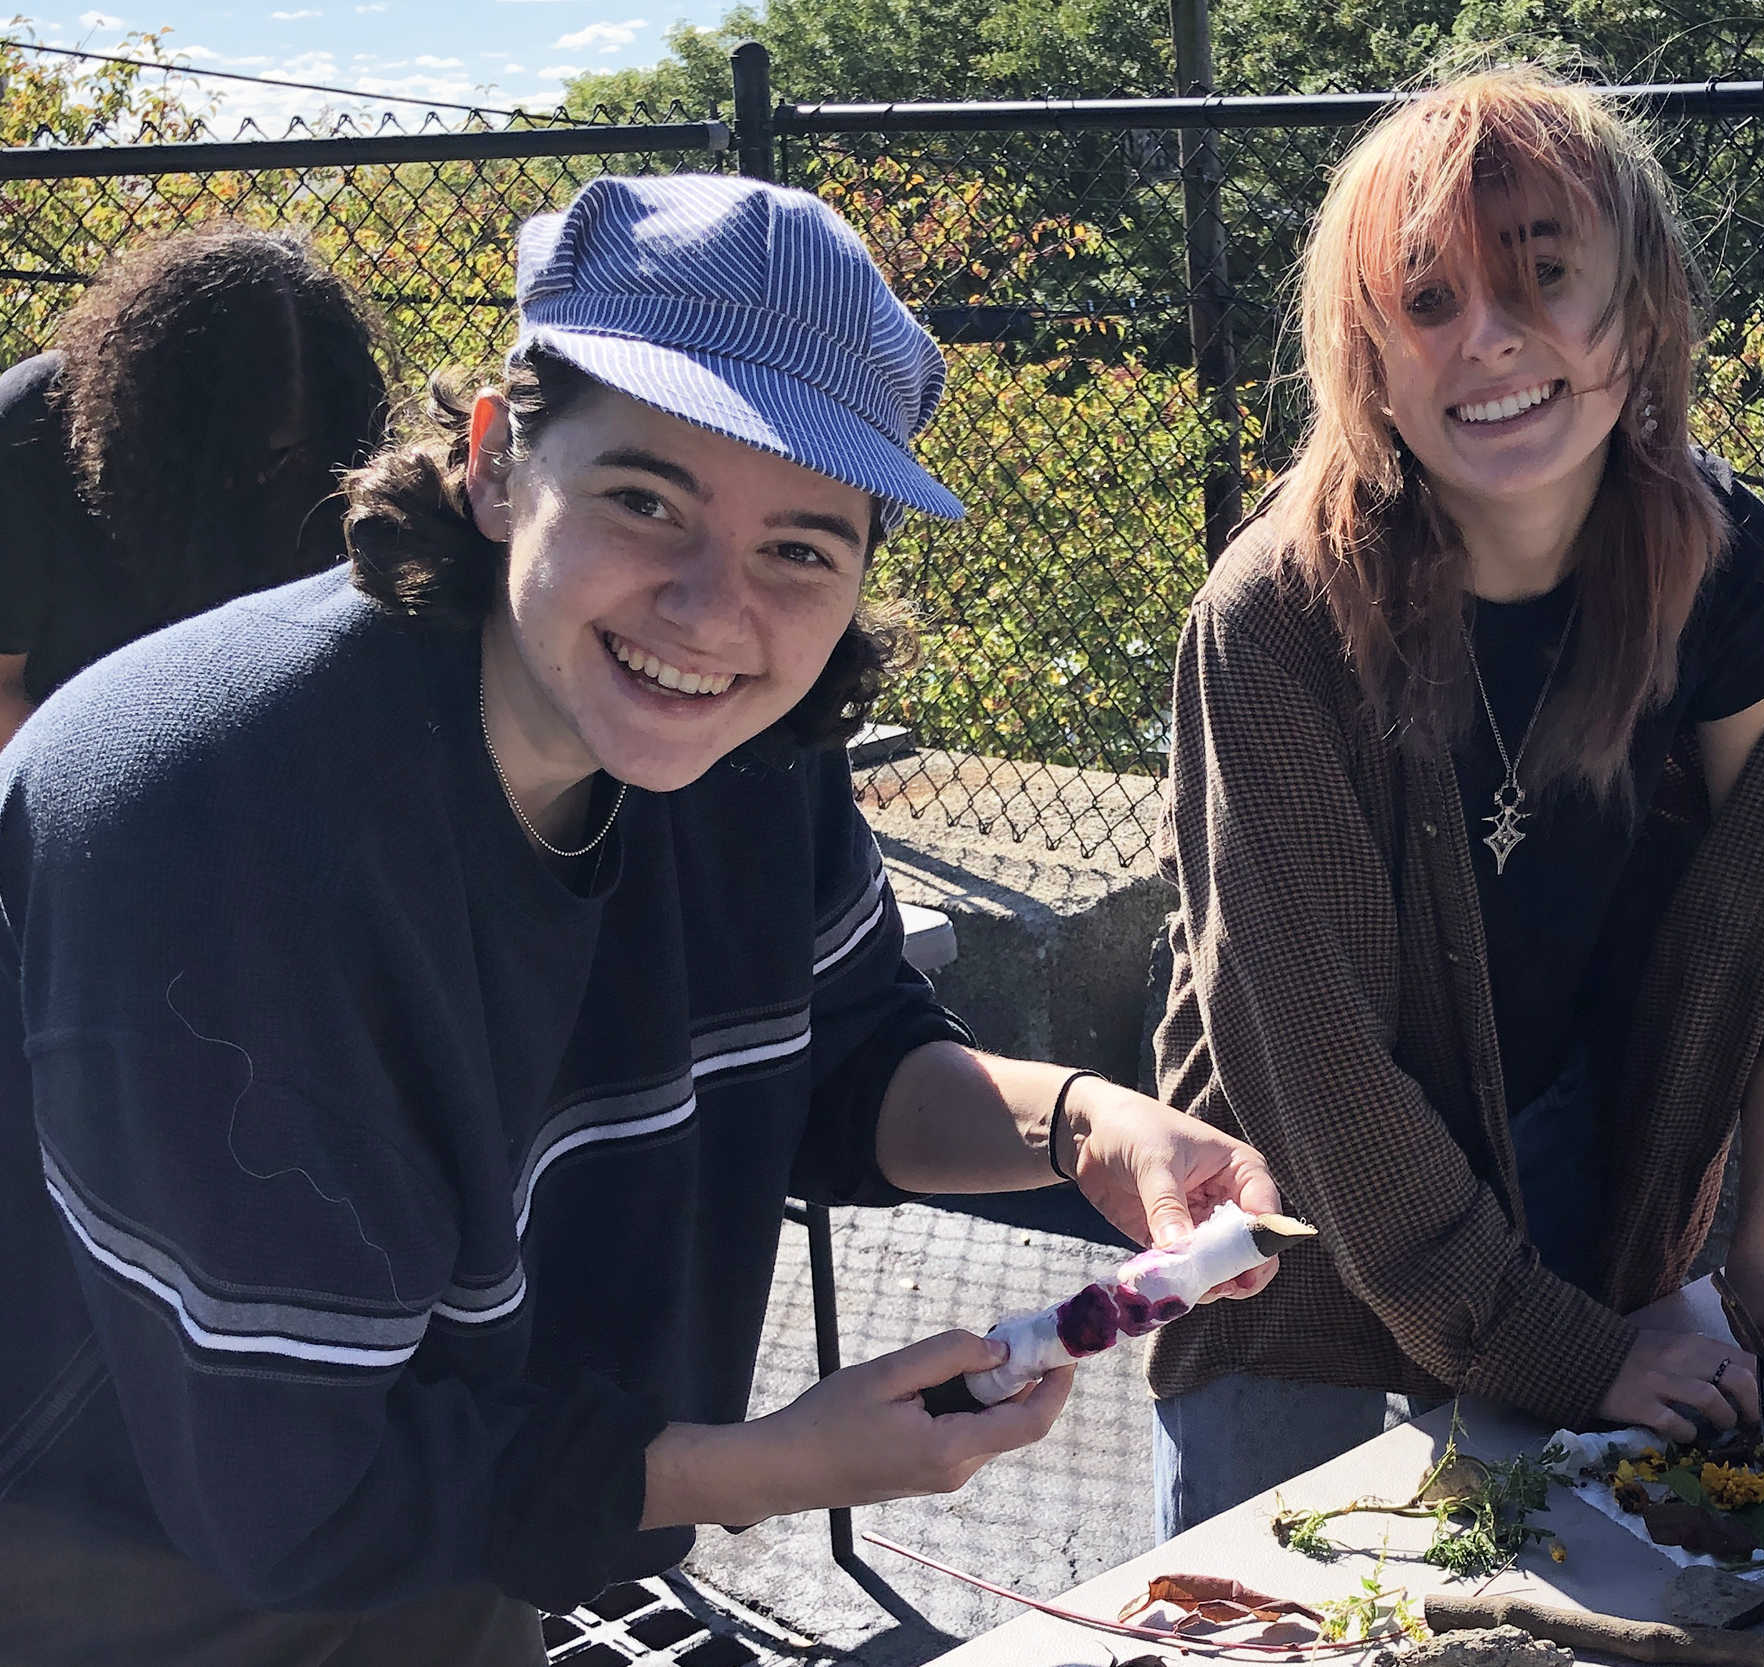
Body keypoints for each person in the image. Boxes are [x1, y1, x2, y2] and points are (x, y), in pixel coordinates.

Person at [0, 173, 1281, 1664]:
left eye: (801, 544)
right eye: (644, 498)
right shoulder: (216, 812)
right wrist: (776, 1463)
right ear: (495, 464)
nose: (708, 608)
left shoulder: (739, 755)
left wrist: (1089, 1128)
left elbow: (847, 1059)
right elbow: (296, 1488)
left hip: (465, 1518)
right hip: (104, 1542)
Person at [1145, 67, 1764, 1535]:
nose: (1488, 339)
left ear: (1642, 308)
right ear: (1365, 346)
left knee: (1580, 1581)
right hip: (1293, 1215)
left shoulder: (1721, 561)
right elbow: (1318, 1063)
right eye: (1427, 299)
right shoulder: (1274, 620)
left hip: (1578, 1150)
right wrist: (1573, 1351)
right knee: (1285, 1600)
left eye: (1545, 277)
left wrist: (1761, 1259)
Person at [0, 223, 392, 744]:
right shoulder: (32, 428)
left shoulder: (332, 454)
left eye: (288, 454)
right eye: (244, 456)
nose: (265, 482)